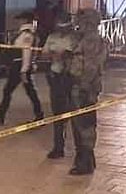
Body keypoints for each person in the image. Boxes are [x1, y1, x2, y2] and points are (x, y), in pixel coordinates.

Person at [66, 8, 108, 175]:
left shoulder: (91, 40)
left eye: (80, 20)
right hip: (81, 86)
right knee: (80, 124)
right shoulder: (84, 38)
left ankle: (85, 161)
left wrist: (83, 86)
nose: (77, 23)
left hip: (84, 88)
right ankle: (85, 159)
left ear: (88, 22)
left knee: (84, 125)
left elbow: (91, 66)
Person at [0, 11, 43, 125]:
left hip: (20, 66)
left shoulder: (26, 34)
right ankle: (39, 115)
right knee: (28, 92)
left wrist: (23, 70)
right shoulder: (26, 33)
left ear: (25, 20)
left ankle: (1, 116)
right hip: (20, 65)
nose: (18, 21)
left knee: (11, 90)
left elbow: (26, 53)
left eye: (20, 19)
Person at [42, 12, 76, 159]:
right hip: (55, 77)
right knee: (57, 114)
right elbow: (43, 54)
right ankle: (58, 147)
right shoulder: (52, 37)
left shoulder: (75, 38)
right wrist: (52, 55)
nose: (61, 28)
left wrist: (65, 55)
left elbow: (77, 56)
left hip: (71, 79)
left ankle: (80, 150)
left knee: (74, 114)